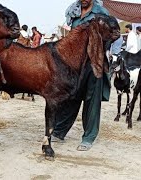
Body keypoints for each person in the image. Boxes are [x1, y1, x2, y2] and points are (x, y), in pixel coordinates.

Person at [52, 0, 111, 151]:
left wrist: (103, 48)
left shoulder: (101, 13)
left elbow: (111, 35)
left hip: (94, 63)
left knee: (92, 101)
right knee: (71, 96)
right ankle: (59, 131)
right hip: (75, 64)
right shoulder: (73, 12)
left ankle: (88, 137)